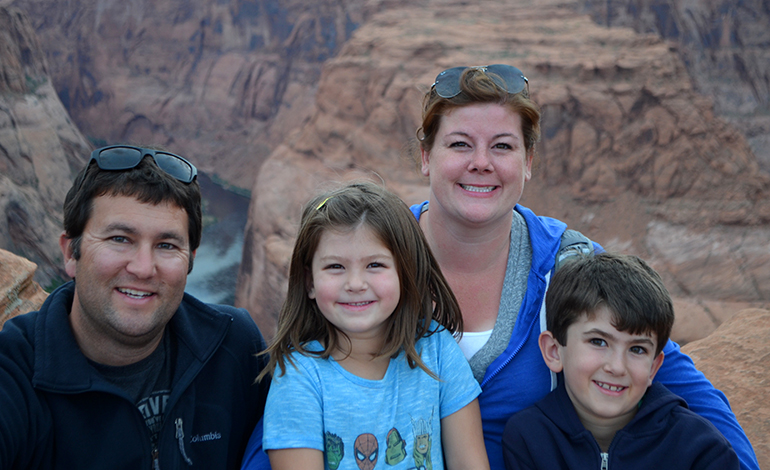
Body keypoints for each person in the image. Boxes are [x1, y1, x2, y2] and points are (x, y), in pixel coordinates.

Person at [411, 64, 758, 470]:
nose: (482, 162)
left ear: (528, 161)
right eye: (460, 145)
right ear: (425, 156)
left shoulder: (569, 264)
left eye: (503, 146)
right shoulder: (372, 263)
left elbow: (677, 382)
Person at [0, 144, 269, 469]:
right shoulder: (13, 372)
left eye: (166, 245)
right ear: (71, 252)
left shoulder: (236, 347)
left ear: (190, 262)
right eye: (119, 239)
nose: (143, 268)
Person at [251, 182, 489, 470]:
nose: (355, 284)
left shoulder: (436, 350)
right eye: (335, 267)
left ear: (405, 272)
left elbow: (470, 463)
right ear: (309, 282)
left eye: (375, 265)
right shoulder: (300, 378)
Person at [502, 252, 740, 469]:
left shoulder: (699, 448)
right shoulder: (530, 438)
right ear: (554, 351)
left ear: (653, 368)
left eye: (637, 349)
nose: (616, 367)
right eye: (598, 342)